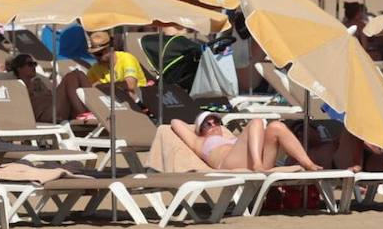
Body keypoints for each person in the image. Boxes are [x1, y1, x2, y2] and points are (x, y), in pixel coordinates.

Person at [170, 112, 323, 172]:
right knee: (256, 121)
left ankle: (308, 164)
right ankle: (257, 165)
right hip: (227, 163)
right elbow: (175, 121)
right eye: (206, 124)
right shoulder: (198, 141)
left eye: (216, 121)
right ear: (199, 129)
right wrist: (195, 130)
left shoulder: (227, 135)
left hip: (255, 161)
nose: (213, 126)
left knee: (276, 126)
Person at [85, 31, 145, 105]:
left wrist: (103, 86)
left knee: (127, 92)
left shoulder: (126, 58)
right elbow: (89, 89)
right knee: (74, 76)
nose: (97, 58)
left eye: (99, 54)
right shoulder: (96, 67)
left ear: (110, 49)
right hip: (112, 102)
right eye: (94, 54)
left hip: (139, 100)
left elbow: (130, 85)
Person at [7, 52, 60, 125]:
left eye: (34, 64)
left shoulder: (38, 82)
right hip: (44, 114)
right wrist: (30, 91)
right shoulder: (17, 86)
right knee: (70, 78)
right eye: (30, 64)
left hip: (54, 107)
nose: (34, 67)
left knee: (75, 75)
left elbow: (51, 95)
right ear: (19, 68)